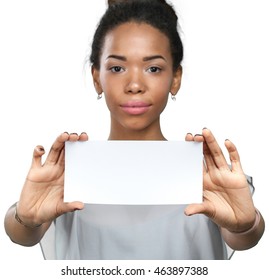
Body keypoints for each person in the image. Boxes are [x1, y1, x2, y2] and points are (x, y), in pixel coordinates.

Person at [4, 0, 265, 260]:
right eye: (117, 68)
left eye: (153, 68)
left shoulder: (209, 176)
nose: (135, 84)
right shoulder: (67, 175)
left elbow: (243, 236)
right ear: (97, 78)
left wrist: (246, 224)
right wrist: (24, 218)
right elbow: (23, 232)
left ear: (175, 78)